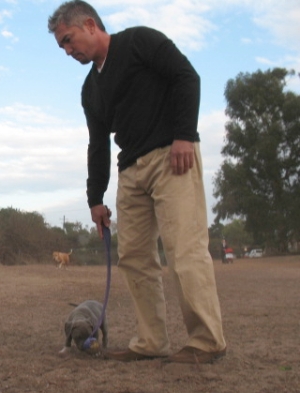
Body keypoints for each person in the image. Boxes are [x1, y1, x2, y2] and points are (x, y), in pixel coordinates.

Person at [47, 0, 226, 363]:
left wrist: (183, 135)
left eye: (69, 40)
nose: (67, 51)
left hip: (172, 155)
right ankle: (150, 342)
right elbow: (97, 144)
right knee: (134, 256)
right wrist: (94, 198)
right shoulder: (89, 90)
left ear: (89, 24)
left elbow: (186, 77)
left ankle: (207, 342)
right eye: (62, 46)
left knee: (184, 250)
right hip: (130, 170)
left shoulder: (140, 42)